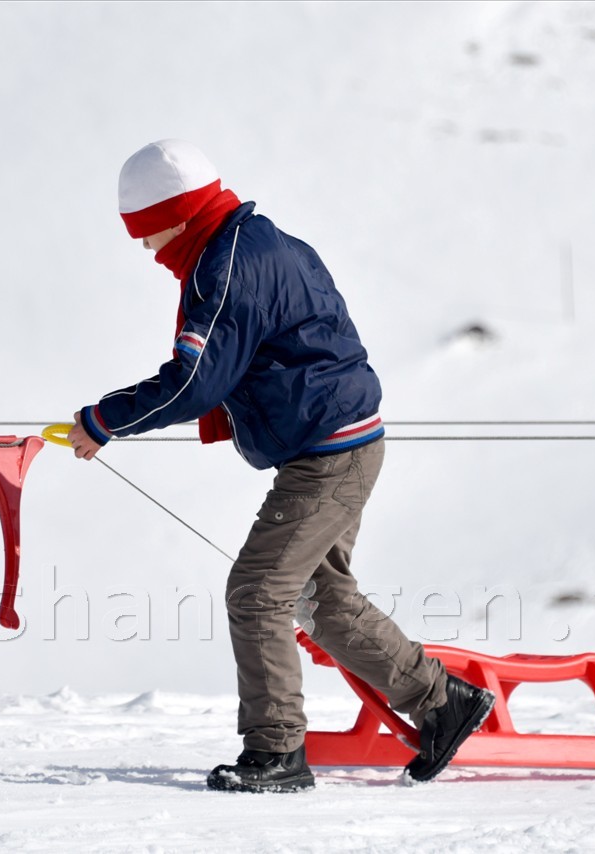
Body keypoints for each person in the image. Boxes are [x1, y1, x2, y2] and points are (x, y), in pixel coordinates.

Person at [67, 139, 495, 793]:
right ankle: (443, 703)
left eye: (144, 231)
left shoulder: (228, 265)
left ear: (175, 213)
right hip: (338, 445)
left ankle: (277, 755)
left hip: (329, 455)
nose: (145, 248)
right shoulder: (255, 244)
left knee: (257, 592)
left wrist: (105, 420)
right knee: (320, 598)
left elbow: (195, 382)